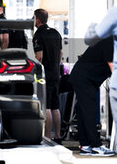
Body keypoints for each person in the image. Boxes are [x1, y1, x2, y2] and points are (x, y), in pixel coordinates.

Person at [69, 37, 115, 156]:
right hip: (84, 78)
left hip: (85, 78)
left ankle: (85, 146)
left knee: (83, 111)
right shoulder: (109, 41)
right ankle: (96, 146)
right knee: (89, 111)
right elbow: (113, 68)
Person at [84, 6, 117, 151]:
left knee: (88, 110)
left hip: (90, 79)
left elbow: (90, 38)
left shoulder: (114, 14)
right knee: (88, 109)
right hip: (86, 80)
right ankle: (88, 144)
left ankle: (89, 144)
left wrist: (92, 25)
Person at [33, 9, 62, 143]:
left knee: (47, 107)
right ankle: (57, 136)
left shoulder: (38, 34)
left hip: (45, 74)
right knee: (56, 107)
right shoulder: (56, 33)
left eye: (33, 17)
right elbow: (61, 54)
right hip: (56, 73)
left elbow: (39, 57)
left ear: (38, 19)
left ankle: (47, 137)